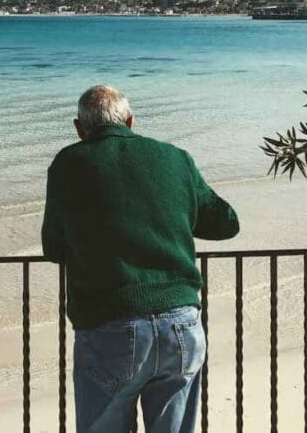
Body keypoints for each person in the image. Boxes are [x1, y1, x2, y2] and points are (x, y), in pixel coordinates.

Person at [41, 85, 239, 432]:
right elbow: (226, 223)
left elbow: (54, 247)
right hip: (181, 322)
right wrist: (168, 218)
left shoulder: (68, 163)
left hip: (110, 327)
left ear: (80, 128)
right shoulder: (176, 158)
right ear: (130, 121)